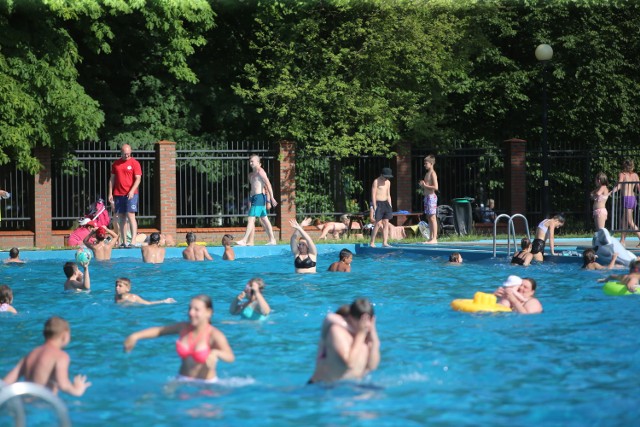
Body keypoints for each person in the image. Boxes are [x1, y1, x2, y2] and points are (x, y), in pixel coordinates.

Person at [123, 294, 235, 382]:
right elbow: (160, 331)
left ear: (208, 312)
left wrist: (215, 353)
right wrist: (135, 336)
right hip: (181, 380)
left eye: (196, 310)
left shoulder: (214, 334)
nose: (191, 313)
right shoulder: (183, 328)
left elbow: (230, 356)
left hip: (206, 385)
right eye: (190, 308)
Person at [3, 316, 92, 396]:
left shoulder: (32, 353)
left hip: (26, 403)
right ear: (64, 336)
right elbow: (63, 385)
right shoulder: (61, 356)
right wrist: (77, 390)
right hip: (44, 406)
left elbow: (6, 382)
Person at [308, 298, 380, 383]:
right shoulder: (337, 331)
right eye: (362, 321)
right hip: (323, 387)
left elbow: (372, 367)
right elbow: (350, 363)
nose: (365, 325)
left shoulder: (367, 337)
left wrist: (374, 340)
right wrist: (360, 334)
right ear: (350, 318)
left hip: (352, 387)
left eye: (368, 321)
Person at [235, 154, 278, 246]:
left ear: (258, 163)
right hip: (254, 198)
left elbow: (268, 184)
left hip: (259, 197)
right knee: (264, 219)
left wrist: (271, 198)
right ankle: (272, 240)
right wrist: (250, 199)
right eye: (250, 161)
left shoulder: (261, 172)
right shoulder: (250, 175)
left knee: (251, 219)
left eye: (252, 161)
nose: (251, 163)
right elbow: (252, 189)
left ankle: (244, 240)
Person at [108, 143, 142, 248]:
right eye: (124, 154)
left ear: (130, 152)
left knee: (131, 215)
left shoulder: (135, 163)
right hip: (118, 193)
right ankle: (123, 241)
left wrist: (132, 191)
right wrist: (110, 193)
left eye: (128, 153)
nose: (126, 156)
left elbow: (138, 179)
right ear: (121, 152)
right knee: (121, 217)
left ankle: (133, 241)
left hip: (131, 194)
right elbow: (112, 179)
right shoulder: (116, 164)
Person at [612, 159, 640, 246]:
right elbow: (639, 187)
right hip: (632, 198)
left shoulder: (622, 174)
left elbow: (619, 185)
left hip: (626, 199)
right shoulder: (635, 175)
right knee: (623, 220)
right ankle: (622, 240)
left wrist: (611, 192)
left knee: (629, 221)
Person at [370, 167, 394, 248]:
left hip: (386, 203)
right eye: (385, 177)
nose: (386, 178)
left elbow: (388, 194)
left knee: (386, 223)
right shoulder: (376, 181)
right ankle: (372, 242)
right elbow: (373, 195)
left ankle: (385, 242)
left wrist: (390, 205)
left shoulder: (388, 182)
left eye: (388, 177)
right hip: (378, 203)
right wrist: (374, 206)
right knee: (377, 223)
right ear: (381, 175)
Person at [419, 155, 439, 244]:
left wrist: (425, 185)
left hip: (431, 197)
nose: (424, 165)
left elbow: (436, 187)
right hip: (427, 197)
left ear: (431, 163)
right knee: (429, 218)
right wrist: (423, 185)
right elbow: (426, 186)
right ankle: (431, 238)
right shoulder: (427, 174)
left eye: (426, 163)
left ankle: (434, 238)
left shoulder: (433, 173)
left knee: (432, 218)